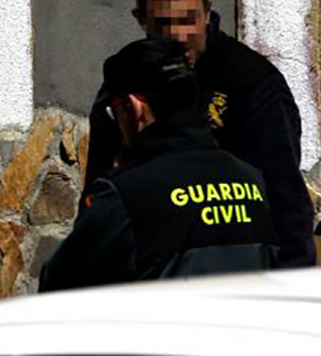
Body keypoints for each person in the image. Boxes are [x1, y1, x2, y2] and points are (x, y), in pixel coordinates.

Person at [84, 0, 316, 268]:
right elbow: (97, 190)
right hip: (154, 265)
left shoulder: (249, 79)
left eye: (188, 19)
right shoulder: (127, 80)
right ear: (140, 19)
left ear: (207, 10)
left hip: (238, 264)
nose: (178, 36)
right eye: (164, 24)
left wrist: (290, 288)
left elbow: (287, 202)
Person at [40, 39, 278, 292]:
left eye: (115, 112)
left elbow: (61, 285)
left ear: (134, 108)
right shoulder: (252, 181)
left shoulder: (125, 195)